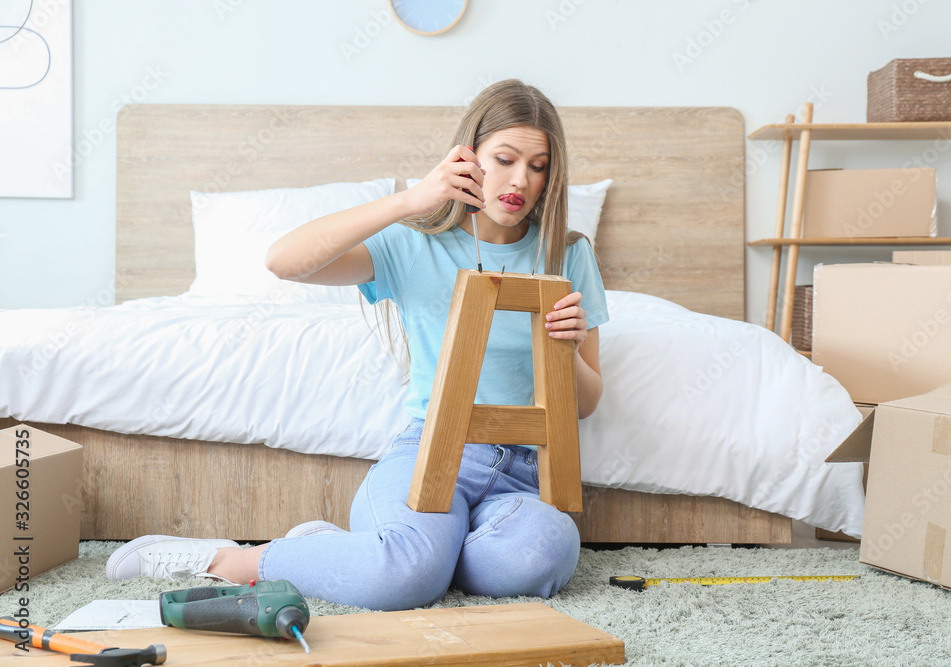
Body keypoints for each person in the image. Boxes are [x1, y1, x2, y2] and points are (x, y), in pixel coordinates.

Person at [105, 79, 609, 611]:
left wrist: (566, 351)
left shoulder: (569, 256)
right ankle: (233, 561)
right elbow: (284, 261)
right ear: (469, 158)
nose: (519, 181)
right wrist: (412, 200)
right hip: (431, 453)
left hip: (523, 471)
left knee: (544, 553)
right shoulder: (418, 243)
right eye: (504, 159)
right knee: (404, 576)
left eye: (538, 166)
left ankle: (393, 555)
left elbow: (586, 402)